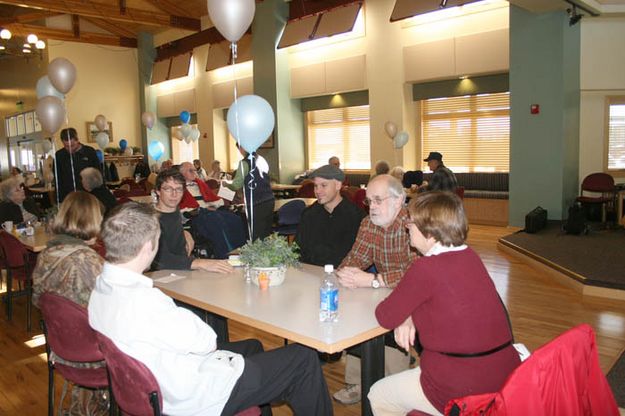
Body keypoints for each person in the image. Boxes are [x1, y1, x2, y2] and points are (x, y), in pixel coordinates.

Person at [88, 202, 334, 416]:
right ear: (147, 247)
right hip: (192, 395)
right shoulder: (146, 302)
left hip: (157, 385)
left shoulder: (100, 289)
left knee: (252, 347)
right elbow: (206, 341)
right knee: (303, 358)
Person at [368, 191, 520, 415]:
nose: (407, 226)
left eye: (411, 222)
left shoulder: (426, 268)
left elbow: (385, 315)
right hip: (505, 375)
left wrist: (405, 313)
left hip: (464, 387)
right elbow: (441, 300)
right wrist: (408, 314)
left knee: (378, 394)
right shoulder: (470, 256)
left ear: (429, 233)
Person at [333, 174, 417, 405]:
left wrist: (372, 280)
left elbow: (417, 274)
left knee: (386, 314)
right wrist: (343, 273)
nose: (372, 207)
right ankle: (358, 382)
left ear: (399, 200)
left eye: (378, 200)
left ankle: (394, 383)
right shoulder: (368, 224)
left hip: (417, 295)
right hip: (383, 288)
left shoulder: (414, 224)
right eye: (369, 201)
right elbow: (357, 256)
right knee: (353, 306)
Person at [152, 168, 233, 272]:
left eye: (179, 189)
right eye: (168, 189)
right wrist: (199, 263)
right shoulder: (149, 219)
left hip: (181, 271)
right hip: (160, 276)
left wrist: (185, 232)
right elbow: (158, 259)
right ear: (158, 191)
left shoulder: (174, 211)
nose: (174, 194)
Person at [32, 191, 104, 307]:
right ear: (90, 221)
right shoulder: (87, 260)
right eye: (99, 217)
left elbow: (37, 300)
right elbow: (109, 304)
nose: (101, 222)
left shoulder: (46, 253)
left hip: (57, 322)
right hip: (86, 323)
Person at [295, 164, 365, 268]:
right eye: (315, 186)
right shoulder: (309, 214)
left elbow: (359, 256)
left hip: (342, 275)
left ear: (338, 185)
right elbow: (298, 250)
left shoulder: (356, 216)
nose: (317, 191)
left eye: (323, 185)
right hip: (310, 273)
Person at [225, 146, 275, 241]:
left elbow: (236, 185)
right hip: (269, 199)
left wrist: (226, 184)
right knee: (266, 234)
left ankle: (257, 255)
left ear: (242, 148)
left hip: (256, 203)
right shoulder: (261, 159)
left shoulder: (244, 163)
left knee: (256, 236)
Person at [55, 127, 101, 202]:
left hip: (89, 195)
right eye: (66, 146)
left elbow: (98, 174)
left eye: (72, 145)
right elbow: (58, 180)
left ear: (77, 140)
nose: (69, 149)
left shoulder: (89, 152)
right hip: (68, 197)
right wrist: (60, 200)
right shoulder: (59, 155)